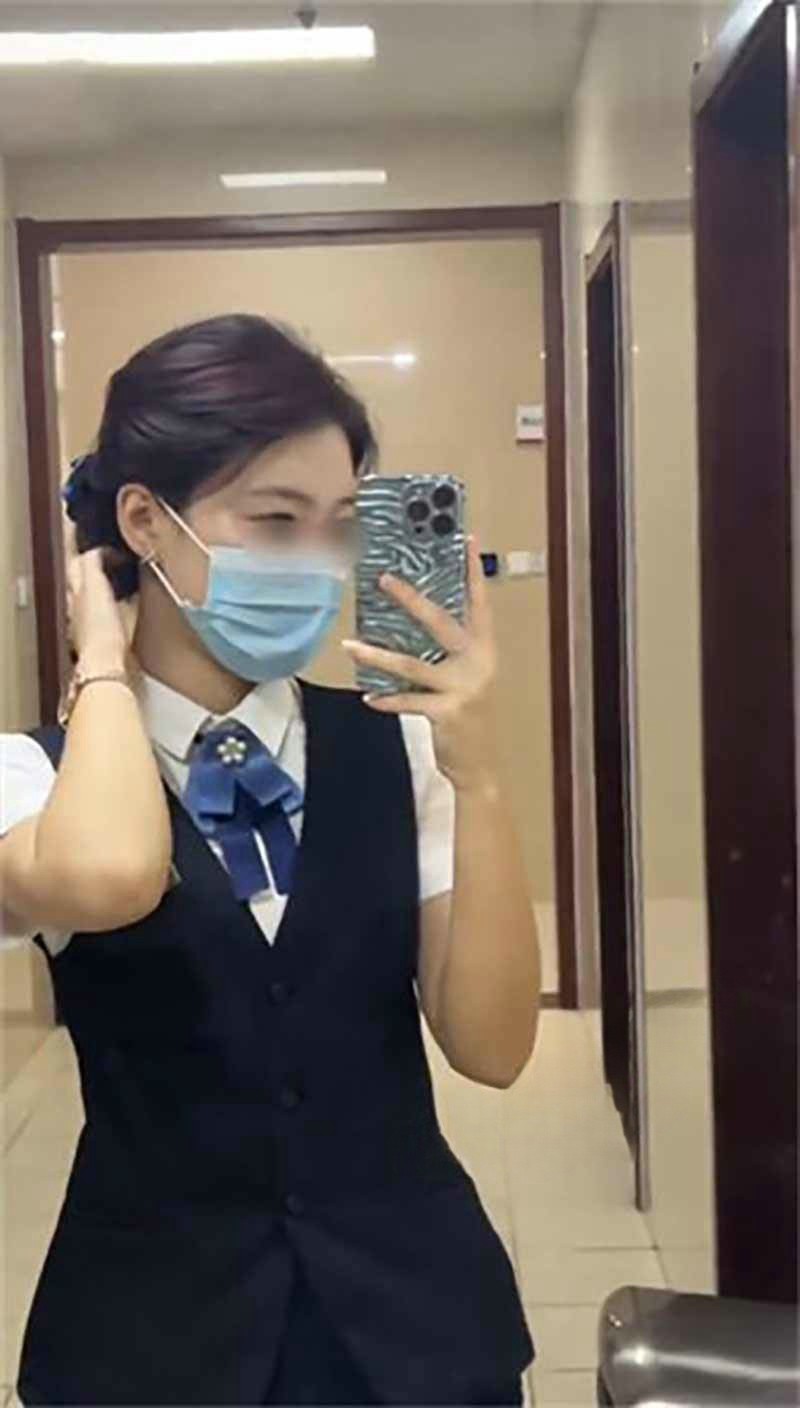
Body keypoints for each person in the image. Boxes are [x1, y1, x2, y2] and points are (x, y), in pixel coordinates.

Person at [0, 314, 540, 1407]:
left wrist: (479, 778)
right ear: (144, 522)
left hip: (414, 1331)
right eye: (274, 520)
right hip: (150, 1345)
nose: (312, 562)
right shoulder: (30, 780)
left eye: (338, 526)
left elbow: (491, 1049)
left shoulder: (398, 748)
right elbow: (112, 876)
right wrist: (101, 654)